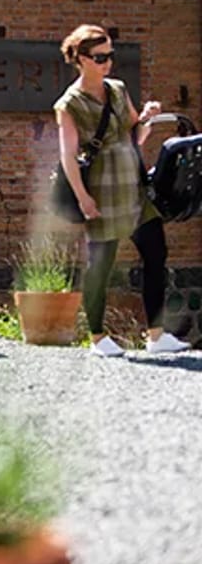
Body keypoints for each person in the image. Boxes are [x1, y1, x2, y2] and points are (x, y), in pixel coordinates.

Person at [54, 24, 190, 357]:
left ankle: (156, 335)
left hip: (133, 187)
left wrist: (147, 117)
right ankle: (98, 338)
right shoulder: (69, 104)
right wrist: (84, 198)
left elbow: (135, 136)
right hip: (101, 191)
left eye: (111, 55)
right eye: (100, 57)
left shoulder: (117, 89)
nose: (108, 63)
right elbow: (67, 157)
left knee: (156, 252)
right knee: (100, 265)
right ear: (81, 59)